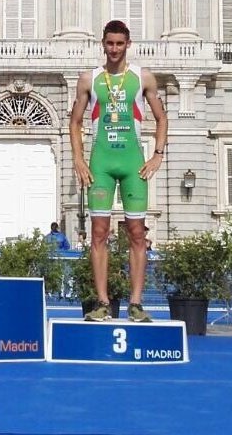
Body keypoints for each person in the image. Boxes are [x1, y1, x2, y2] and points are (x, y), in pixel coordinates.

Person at [69, 19, 168, 323]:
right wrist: (79, 159)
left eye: (119, 43)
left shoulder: (143, 78)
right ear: (103, 44)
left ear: (128, 44)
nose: (114, 49)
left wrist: (157, 156)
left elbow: (162, 119)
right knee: (98, 233)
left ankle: (136, 304)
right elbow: (74, 122)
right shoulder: (89, 79)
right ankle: (102, 302)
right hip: (101, 162)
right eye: (109, 43)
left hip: (132, 164)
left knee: (137, 233)